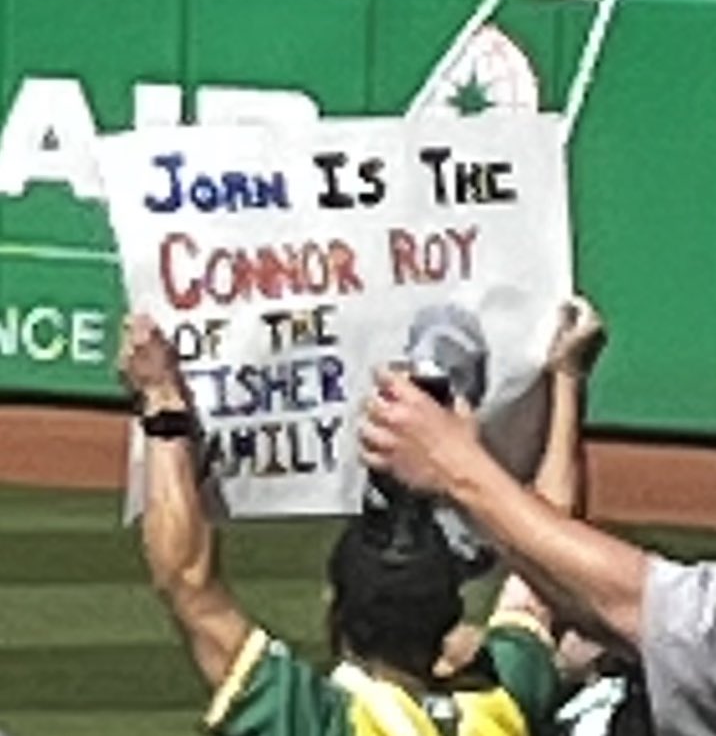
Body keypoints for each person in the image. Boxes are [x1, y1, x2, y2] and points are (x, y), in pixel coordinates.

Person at [118, 310, 592, 736]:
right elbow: (551, 556)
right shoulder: (500, 705)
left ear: (335, 612)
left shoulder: (319, 722)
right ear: (450, 623)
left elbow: (185, 577)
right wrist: (568, 379)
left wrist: (162, 403)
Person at [361, 297, 714, 736]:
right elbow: (563, 582)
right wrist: (566, 381)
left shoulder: (332, 717)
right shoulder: (497, 703)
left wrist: (454, 463)